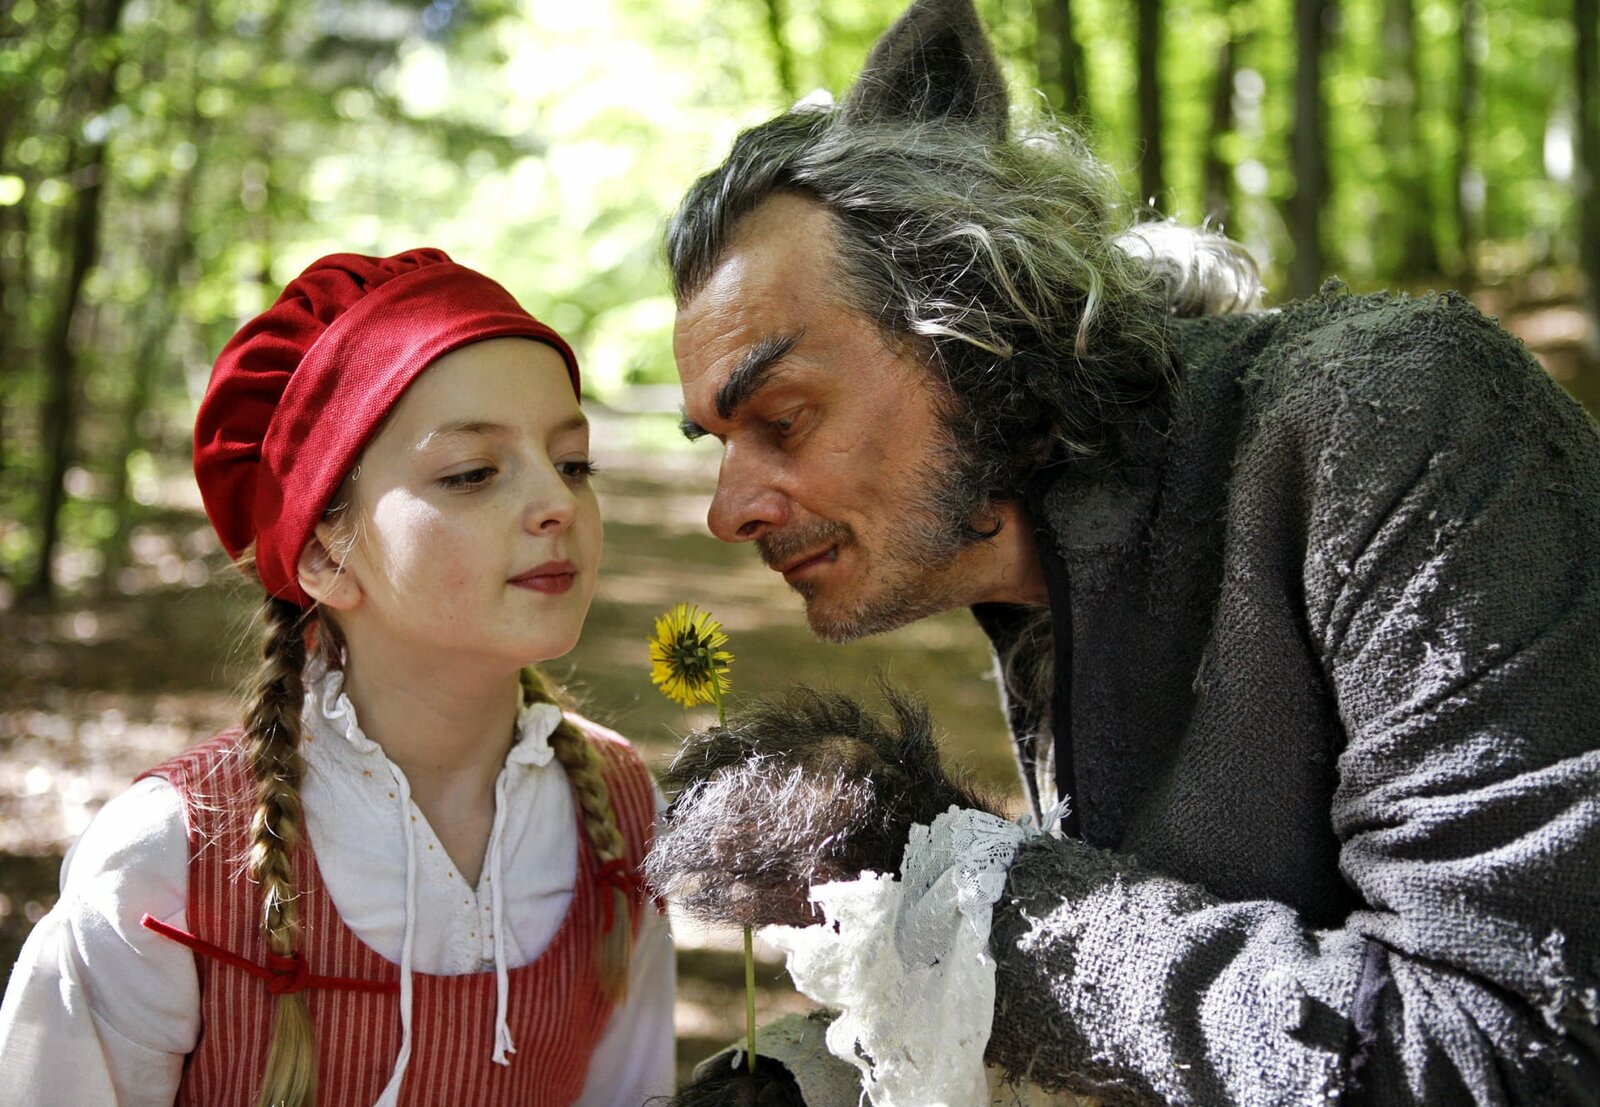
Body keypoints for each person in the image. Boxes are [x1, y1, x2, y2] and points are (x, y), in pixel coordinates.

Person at [648, 0, 1600, 1103]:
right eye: (718, 442)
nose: (727, 510)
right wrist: (819, 1070)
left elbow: (1515, 1048)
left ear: (970, 323)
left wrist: (944, 887)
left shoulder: (1400, 420)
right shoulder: (1050, 570)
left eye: (783, 417)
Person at [0, 248, 675, 1106]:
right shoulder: (168, 861)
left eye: (573, 462)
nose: (559, 503)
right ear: (326, 554)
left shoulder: (620, 810)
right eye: (472, 473)